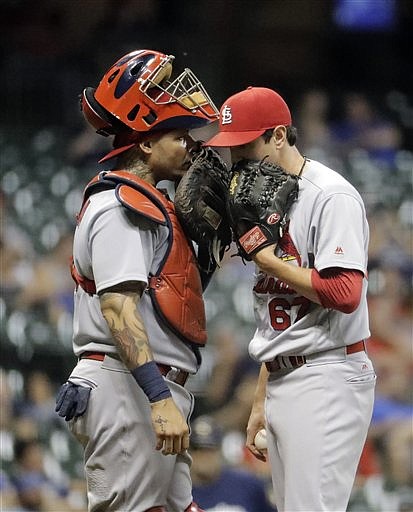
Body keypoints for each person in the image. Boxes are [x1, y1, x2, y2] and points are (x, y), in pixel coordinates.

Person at [55, 49, 219, 512]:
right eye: (179, 135)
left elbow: (162, 302)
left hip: (141, 385)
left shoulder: (148, 203)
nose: (190, 145)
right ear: (146, 143)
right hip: (126, 385)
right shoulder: (119, 207)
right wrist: (158, 396)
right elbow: (118, 308)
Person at [204, 86, 376, 512]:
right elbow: (280, 318)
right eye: (231, 149)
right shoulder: (265, 198)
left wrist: (265, 258)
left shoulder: (329, 196)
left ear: (279, 136)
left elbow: (344, 292)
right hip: (286, 374)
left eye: (246, 145)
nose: (237, 159)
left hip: (327, 373)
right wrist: (262, 397)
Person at [190, 415, 276, 512]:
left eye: (209, 449)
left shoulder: (247, 484)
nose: (204, 456)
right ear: (189, 453)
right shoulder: (180, 494)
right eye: (197, 449)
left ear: (219, 450)